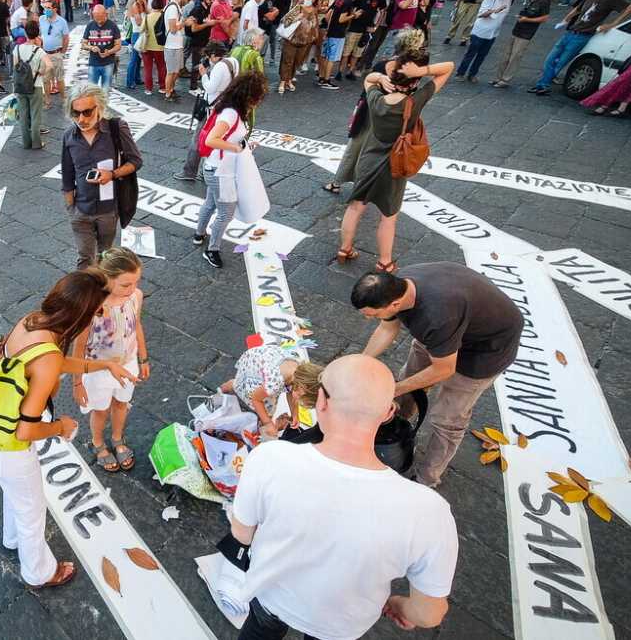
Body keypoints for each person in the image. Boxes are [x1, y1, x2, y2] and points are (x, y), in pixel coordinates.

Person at [230, 354, 458, 639]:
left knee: (260, 631)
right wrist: (402, 606)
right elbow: (429, 613)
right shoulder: (430, 511)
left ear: (321, 401)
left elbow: (241, 534)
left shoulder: (269, 457)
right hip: (342, 623)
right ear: (388, 412)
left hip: (271, 595)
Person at [0, 269, 137, 588]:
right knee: (33, 512)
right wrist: (61, 426)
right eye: (96, 312)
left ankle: (12, 539)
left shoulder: (33, 321)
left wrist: (103, 365)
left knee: (17, 497)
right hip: (10, 446)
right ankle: (40, 573)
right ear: (81, 314)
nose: (99, 317)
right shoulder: (47, 356)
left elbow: (53, 361)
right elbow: (25, 430)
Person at [353, 264, 524, 488]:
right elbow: (387, 328)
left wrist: (393, 389)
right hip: (447, 331)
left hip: (486, 349)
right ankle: (397, 425)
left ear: (394, 304)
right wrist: (360, 362)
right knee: (409, 379)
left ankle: (427, 479)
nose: (369, 319)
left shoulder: (436, 317)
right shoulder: (396, 286)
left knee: (447, 419)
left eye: (372, 314)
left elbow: (444, 369)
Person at [334, 32, 452, 273]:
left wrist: (380, 77)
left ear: (391, 80)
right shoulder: (414, 102)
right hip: (394, 166)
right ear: (414, 83)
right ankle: (384, 261)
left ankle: (344, 249)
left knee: (355, 207)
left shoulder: (376, 98)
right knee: (389, 216)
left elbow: (368, 79)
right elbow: (448, 68)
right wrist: (421, 71)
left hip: (368, 159)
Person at [73, 247, 149, 473]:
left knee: (121, 403)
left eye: (136, 282)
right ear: (106, 278)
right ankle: (98, 442)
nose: (132, 289)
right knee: (100, 410)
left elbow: (136, 325)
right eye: (125, 284)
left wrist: (143, 358)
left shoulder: (135, 296)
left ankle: (117, 438)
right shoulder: (91, 307)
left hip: (128, 364)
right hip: (98, 370)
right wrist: (77, 383)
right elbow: (79, 347)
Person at [60, 84, 143, 269]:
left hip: (108, 210)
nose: (81, 119)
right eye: (75, 113)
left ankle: (103, 283)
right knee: (84, 259)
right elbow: (67, 174)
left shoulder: (116, 128)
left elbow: (136, 161)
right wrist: (71, 209)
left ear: (100, 107)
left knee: (104, 256)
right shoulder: (69, 136)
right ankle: (86, 288)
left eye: (87, 112)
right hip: (81, 210)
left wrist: (112, 174)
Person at [193, 71, 267, 269]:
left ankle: (199, 234)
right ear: (248, 96)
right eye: (257, 97)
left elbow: (227, 138)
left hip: (215, 167)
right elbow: (212, 140)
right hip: (221, 172)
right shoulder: (231, 113)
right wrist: (236, 148)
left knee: (210, 203)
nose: (258, 102)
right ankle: (212, 250)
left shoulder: (229, 108)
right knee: (226, 212)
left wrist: (243, 145)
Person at [530, 0, 631, 95]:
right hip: (571, 31)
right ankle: (543, 84)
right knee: (550, 60)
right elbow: (578, 9)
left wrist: (612, 24)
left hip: (582, 36)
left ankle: (543, 85)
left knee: (560, 62)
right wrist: (566, 19)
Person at [220, 345, 322, 438]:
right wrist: (268, 423)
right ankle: (233, 385)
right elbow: (256, 399)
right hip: (254, 369)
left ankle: (232, 384)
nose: (299, 401)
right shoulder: (275, 383)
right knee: (265, 407)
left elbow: (291, 392)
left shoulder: (298, 371)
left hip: (261, 359)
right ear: (302, 388)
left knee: (266, 398)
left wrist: (295, 414)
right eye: (301, 399)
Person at [176, 42, 238, 183]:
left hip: (211, 107)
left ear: (214, 55)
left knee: (198, 138)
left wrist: (204, 75)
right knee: (216, 138)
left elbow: (210, 88)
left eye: (210, 57)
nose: (209, 60)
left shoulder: (219, 67)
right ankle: (207, 170)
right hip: (225, 105)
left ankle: (189, 172)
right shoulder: (233, 61)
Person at [455, 0, 517, 83]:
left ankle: (472, 74)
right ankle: (460, 73)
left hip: (493, 33)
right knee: (471, 53)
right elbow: (481, 14)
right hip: (480, 31)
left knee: (482, 55)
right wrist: (495, 11)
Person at [490, 0, 551, 88]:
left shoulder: (544, 1)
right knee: (506, 55)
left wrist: (527, 19)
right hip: (517, 29)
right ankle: (498, 78)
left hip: (526, 33)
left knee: (515, 57)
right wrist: (521, 17)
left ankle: (505, 79)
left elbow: (544, 18)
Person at [318, 0, 364, 90]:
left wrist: (328, 28)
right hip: (338, 33)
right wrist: (354, 15)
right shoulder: (349, 1)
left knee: (325, 55)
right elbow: (341, 19)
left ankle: (322, 77)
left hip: (330, 30)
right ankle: (326, 80)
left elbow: (328, 14)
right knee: (331, 58)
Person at [14, 20, 50, 151]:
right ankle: (36, 143)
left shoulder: (17, 48)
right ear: (37, 34)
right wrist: (41, 71)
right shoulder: (39, 51)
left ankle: (26, 142)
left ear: (25, 33)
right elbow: (50, 65)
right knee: (35, 115)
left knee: (23, 116)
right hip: (36, 85)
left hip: (20, 86)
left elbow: (15, 67)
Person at [276, 0, 320, 94]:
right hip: (291, 40)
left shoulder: (314, 10)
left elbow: (315, 25)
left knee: (297, 61)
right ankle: (283, 81)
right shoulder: (297, 8)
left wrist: (313, 34)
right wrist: (297, 18)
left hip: (305, 41)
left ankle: (289, 80)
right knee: (287, 60)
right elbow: (285, 21)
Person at [162, 0, 192, 101]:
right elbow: (173, 28)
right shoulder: (173, 8)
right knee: (171, 72)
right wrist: (185, 23)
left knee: (176, 71)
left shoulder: (176, 7)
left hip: (176, 44)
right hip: (171, 45)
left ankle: (171, 90)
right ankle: (168, 94)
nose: (188, 2)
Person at [186, 0, 218, 92]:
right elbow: (194, 28)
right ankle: (193, 87)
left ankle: (197, 83)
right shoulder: (197, 9)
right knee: (196, 65)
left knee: (204, 63)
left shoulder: (207, 8)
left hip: (205, 41)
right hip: (197, 42)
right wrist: (208, 24)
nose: (212, 1)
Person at [39, 0, 69, 106]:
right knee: (46, 80)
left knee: (59, 79)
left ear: (55, 9)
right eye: (45, 7)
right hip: (45, 54)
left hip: (56, 53)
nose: (46, 10)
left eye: (48, 8)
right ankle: (47, 100)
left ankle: (64, 99)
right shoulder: (41, 19)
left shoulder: (62, 22)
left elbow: (66, 38)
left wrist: (62, 53)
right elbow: (39, 34)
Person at [82, 5, 120, 89]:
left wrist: (109, 52)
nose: (98, 21)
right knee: (91, 90)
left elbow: (118, 45)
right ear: (93, 15)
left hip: (108, 62)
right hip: (93, 62)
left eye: (100, 18)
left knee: (105, 90)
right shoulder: (90, 25)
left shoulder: (113, 26)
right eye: (96, 18)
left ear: (105, 14)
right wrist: (91, 48)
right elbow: (83, 44)